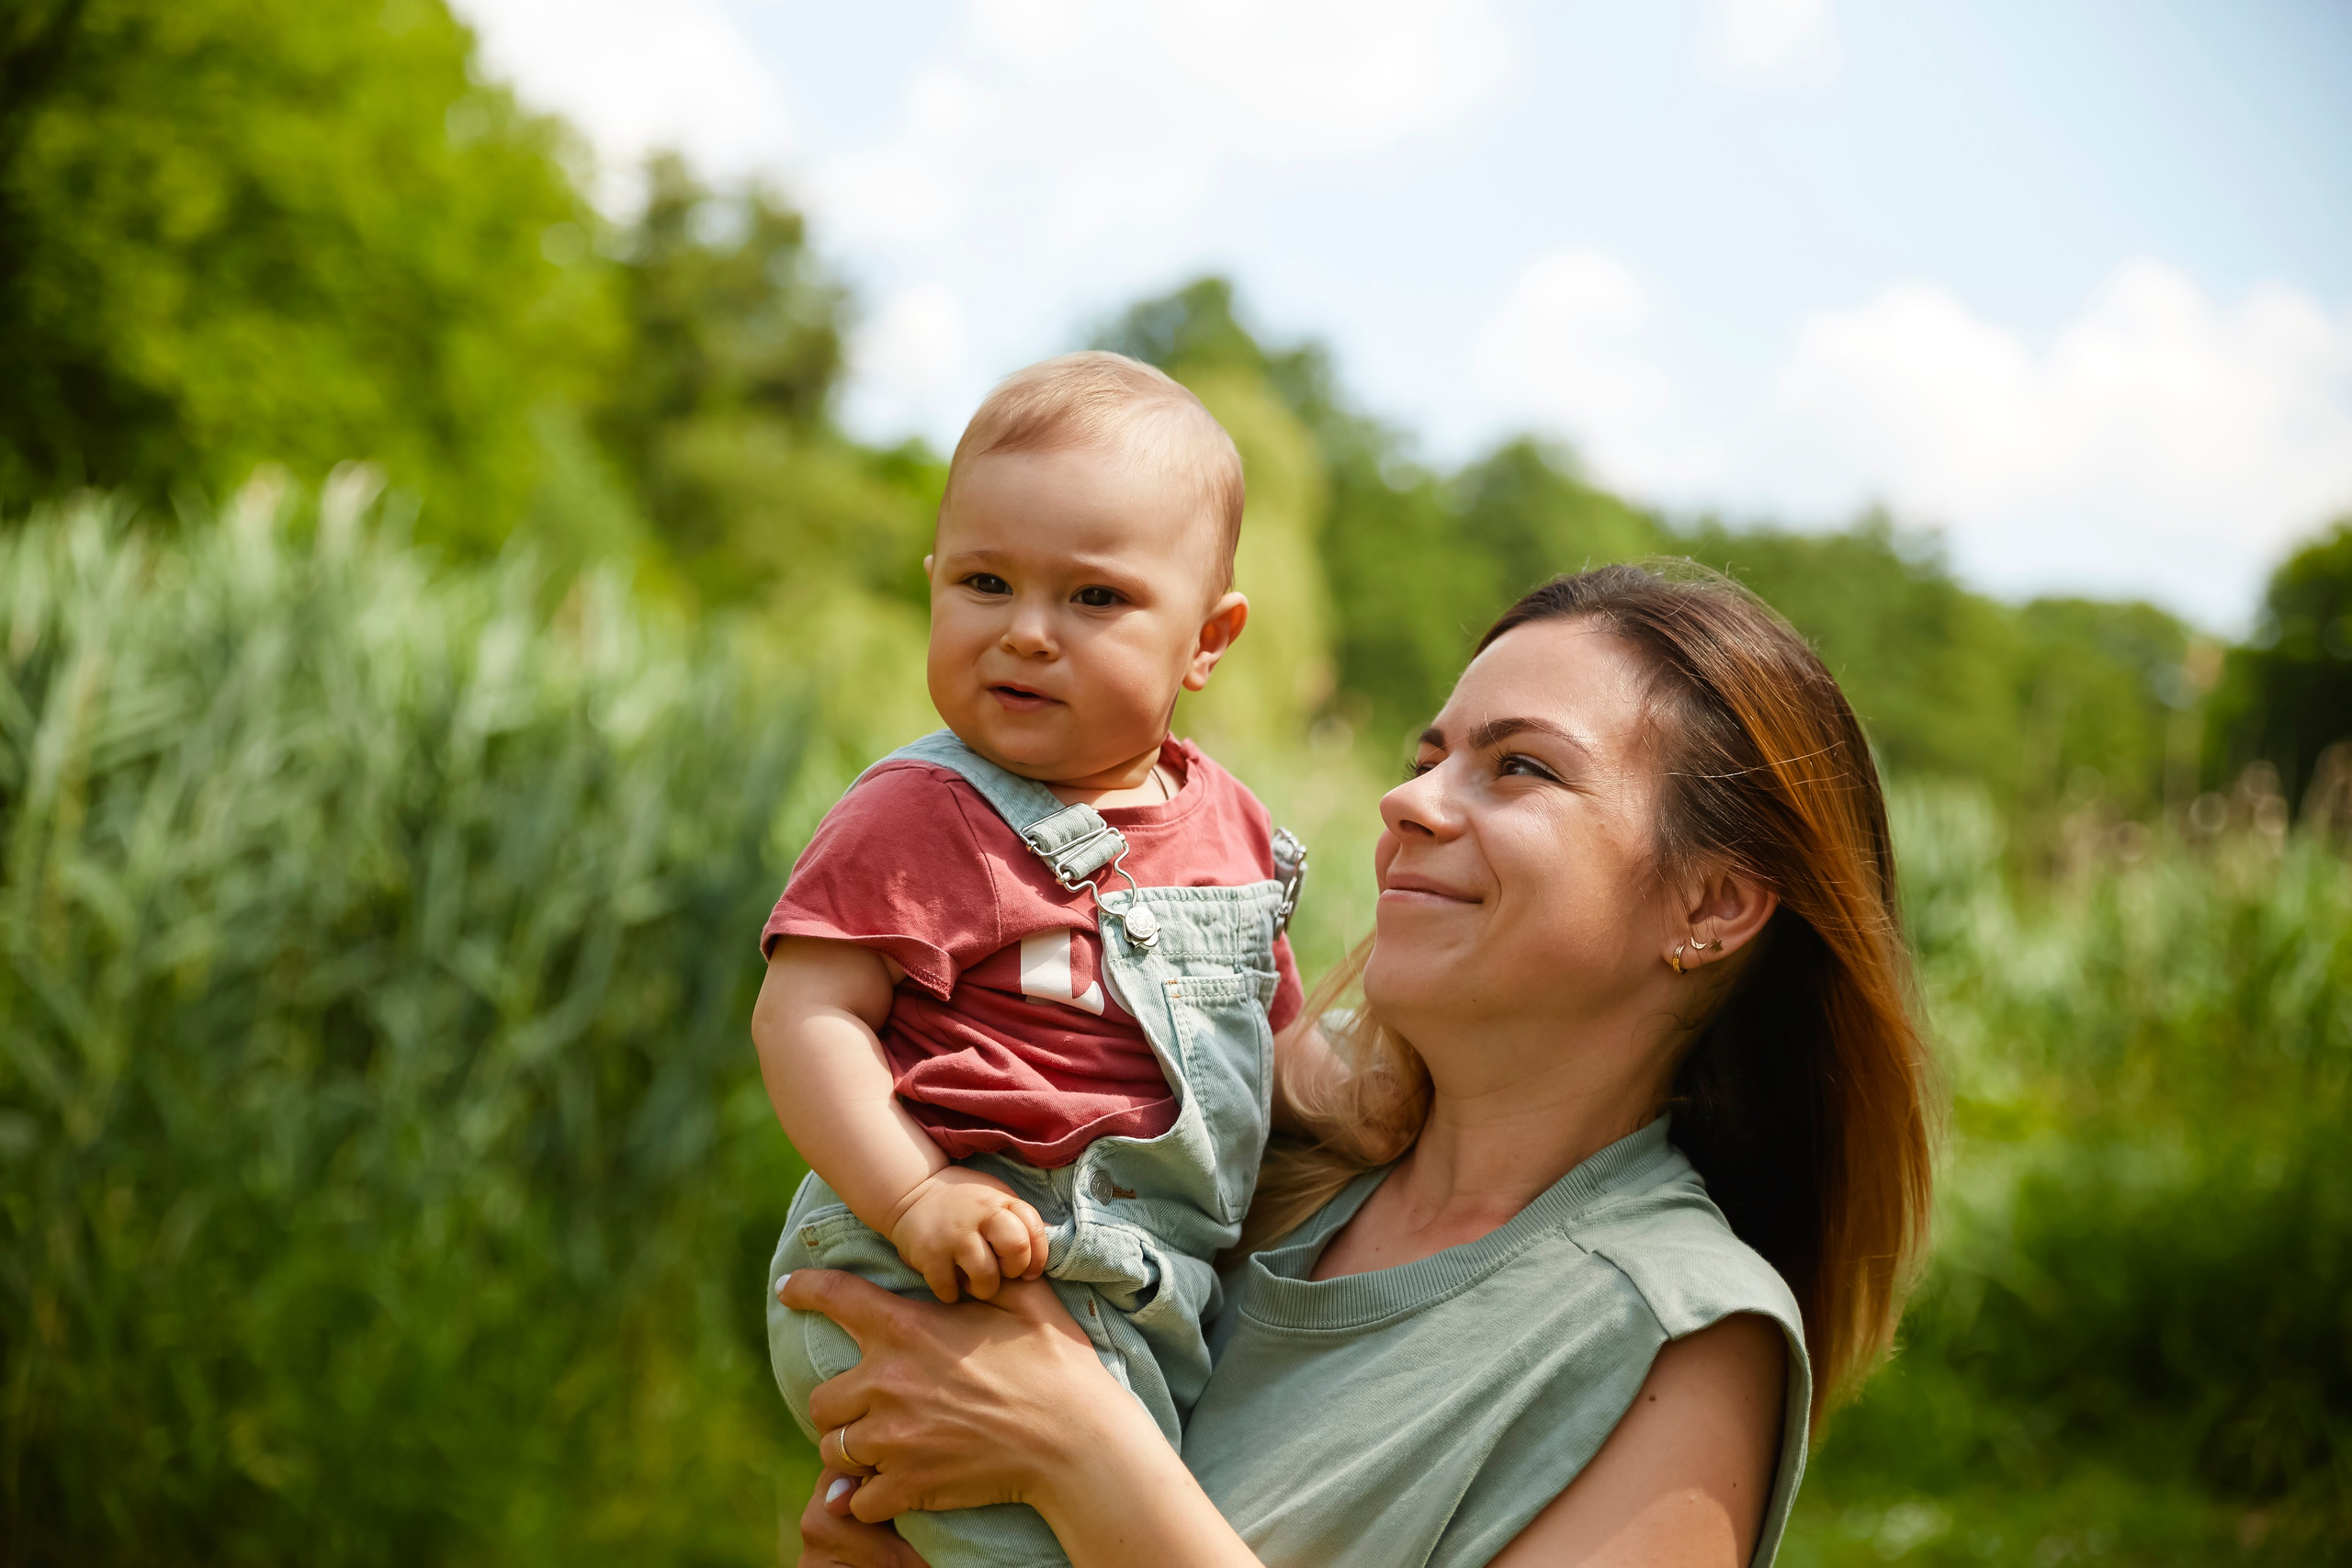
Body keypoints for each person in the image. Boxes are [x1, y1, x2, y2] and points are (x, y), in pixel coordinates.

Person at [778, 564, 1939, 1568]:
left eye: (1519, 768)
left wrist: (1080, 1451)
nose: (1408, 800)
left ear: (1712, 903)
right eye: (1427, 756)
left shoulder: (1673, 1334)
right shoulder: (1220, 1163)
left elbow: (1077, 1461)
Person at [752, 351, 1318, 1568]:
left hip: (1137, 1295)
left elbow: (1281, 1055)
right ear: (935, 586)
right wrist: (913, 1194)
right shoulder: (922, 810)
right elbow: (805, 1015)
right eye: (986, 581)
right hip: (920, 1265)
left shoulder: (1236, 831)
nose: (1025, 632)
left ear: (1208, 641)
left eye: (1094, 599)